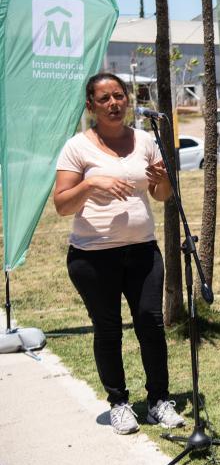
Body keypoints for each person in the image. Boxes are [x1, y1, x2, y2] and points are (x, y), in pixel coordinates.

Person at [53, 73, 185, 435]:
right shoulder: (77, 147)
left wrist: (160, 180)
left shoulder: (145, 139)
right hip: (93, 257)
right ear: (91, 106)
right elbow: (62, 205)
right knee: (108, 330)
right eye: (104, 98)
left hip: (142, 250)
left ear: (128, 99)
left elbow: (161, 196)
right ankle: (119, 403)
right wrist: (92, 182)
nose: (114, 104)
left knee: (151, 324)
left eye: (119, 96)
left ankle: (159, 401)